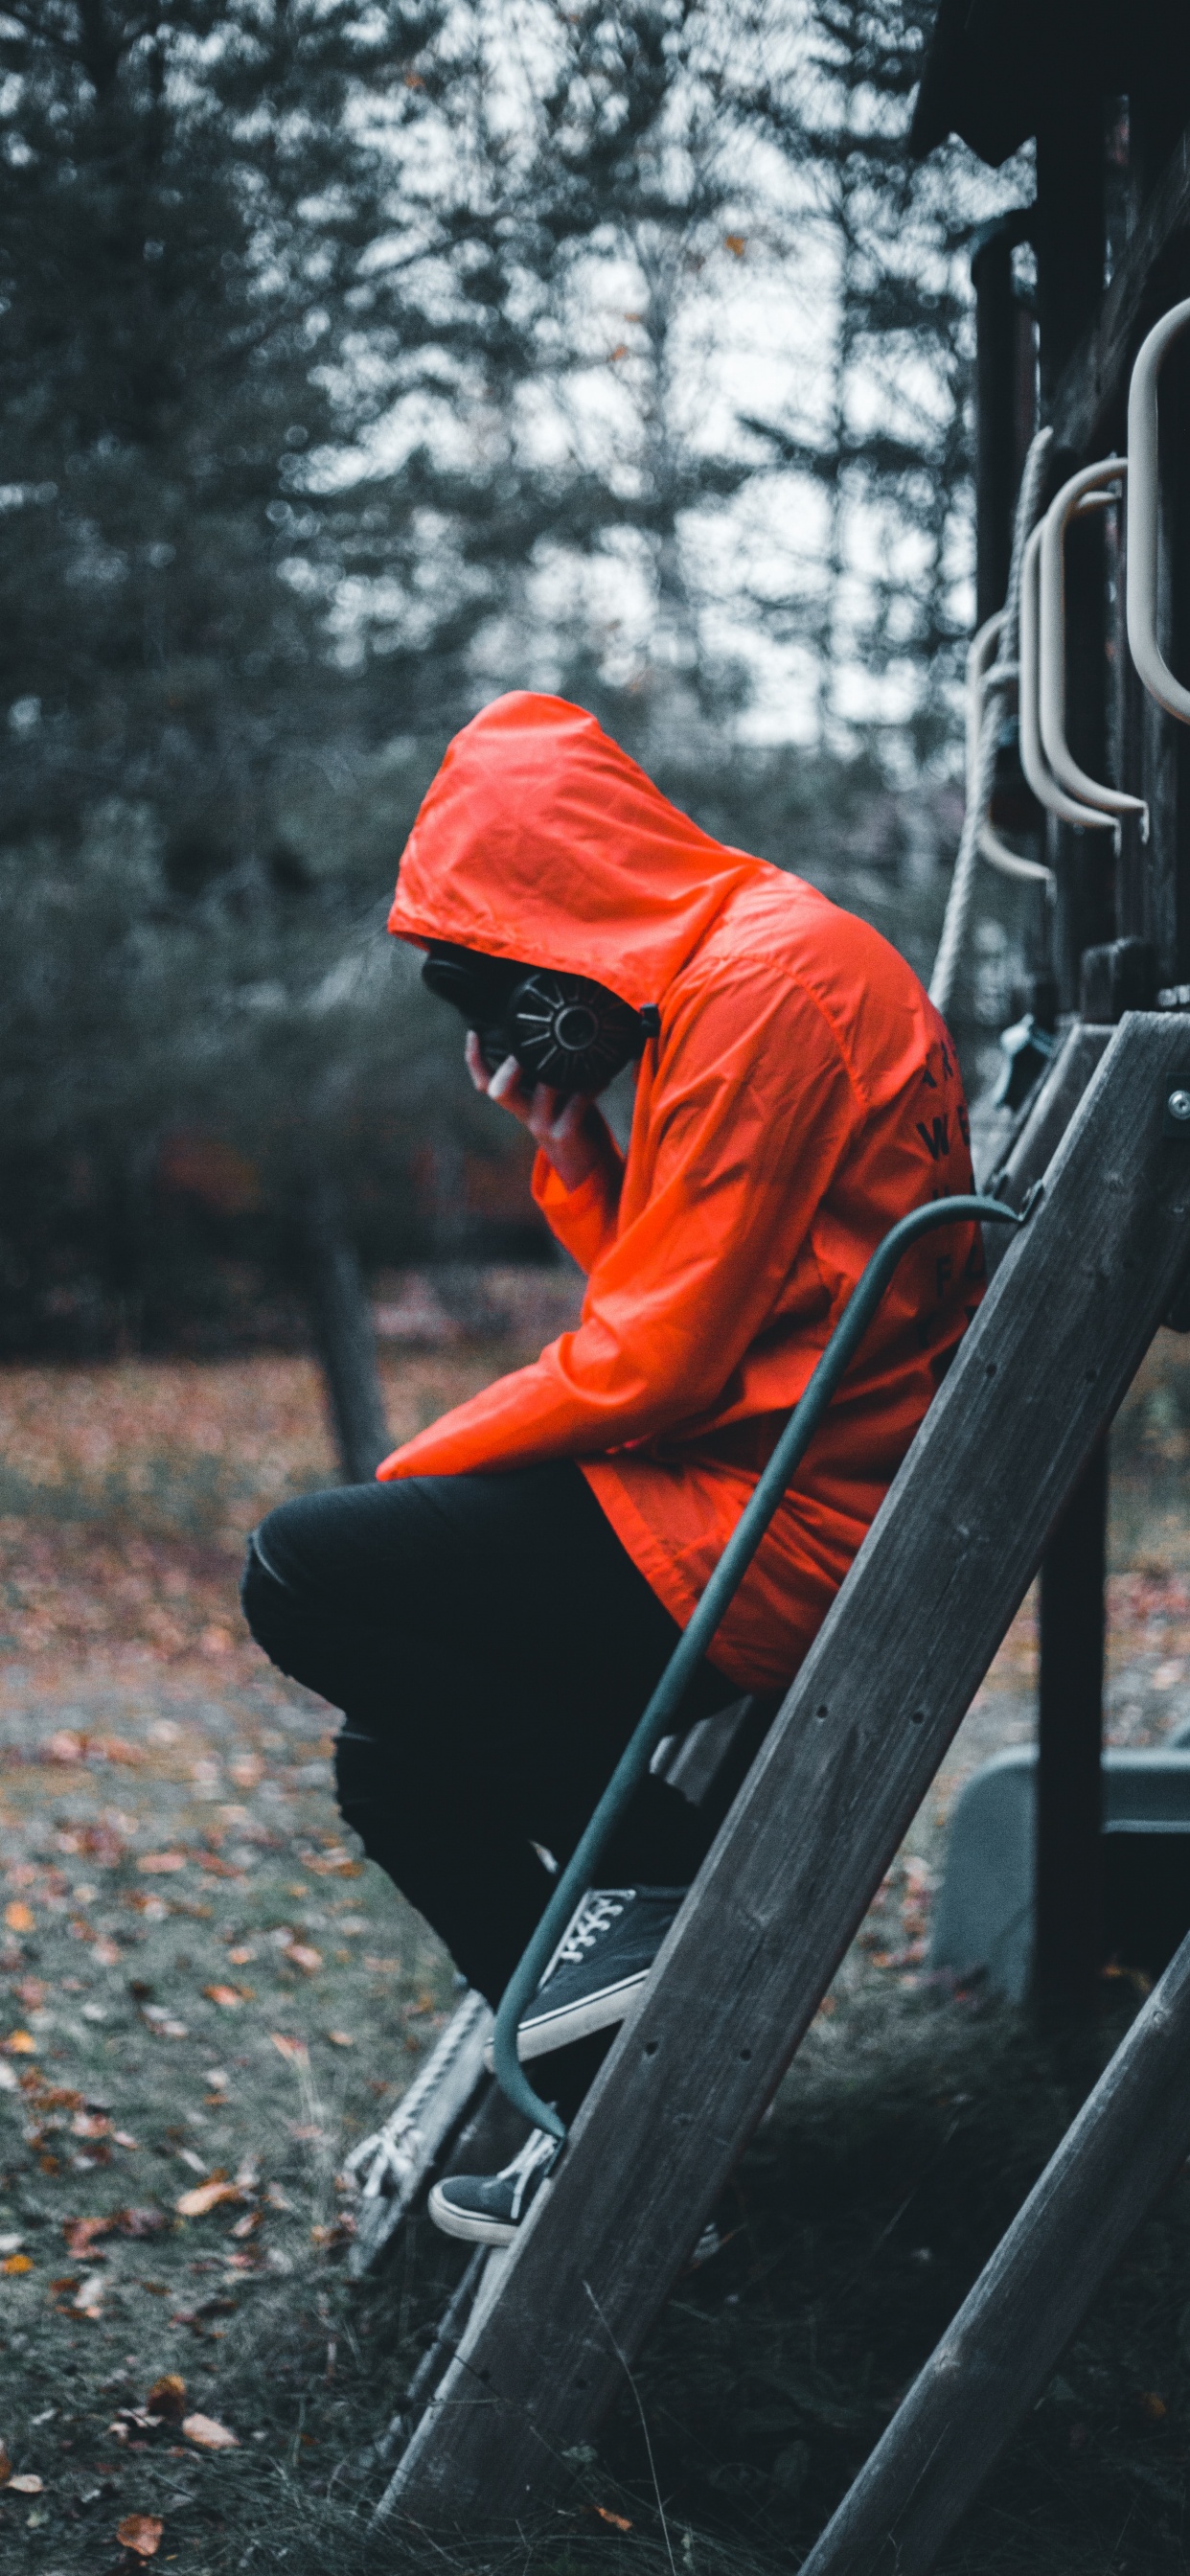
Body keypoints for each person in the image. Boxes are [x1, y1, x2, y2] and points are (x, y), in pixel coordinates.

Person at [241, 690, 982, 2246]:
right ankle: (614, 2137)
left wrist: (407, 1476)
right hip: (740, 1491)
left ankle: (657, 1879)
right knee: (391, 1761)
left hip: (766, 1527)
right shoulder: (748, 966)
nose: (501, 1016)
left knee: (307, 1565)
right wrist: (574, 1146)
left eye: (497, 977)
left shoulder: (765, 987)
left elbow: (656, 1363)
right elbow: (673, 1305)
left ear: (556, 907)